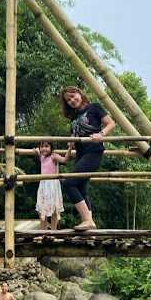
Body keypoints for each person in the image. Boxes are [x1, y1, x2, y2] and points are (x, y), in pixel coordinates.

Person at [61, 86, 116, 231]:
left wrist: (101, 134)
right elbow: (74, 136)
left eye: (73, 96)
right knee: (81, 187)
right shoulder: (73, 117)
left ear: (80, 93)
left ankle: (87, 220)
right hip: (80, 153)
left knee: (69, 184)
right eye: (68, 100)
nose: (72, 100)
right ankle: (90, 226)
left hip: (93, 152)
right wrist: (71, 142)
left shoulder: (94, 107)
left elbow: (111, 123)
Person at [33, 141, 71, 230]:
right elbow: (38, 152)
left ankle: (53, 231)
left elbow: (64, 160)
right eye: (42, 146)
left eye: (46, 146)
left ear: (51, 148)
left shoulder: (53, 156)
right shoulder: (42, 156)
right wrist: (36, 150)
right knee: (41, 208)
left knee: (54, 208)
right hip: (43, 185)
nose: (44, 148)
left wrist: (70, 149)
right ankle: (43, 231)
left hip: (52, 184)